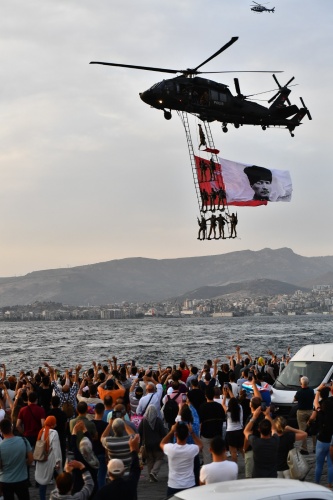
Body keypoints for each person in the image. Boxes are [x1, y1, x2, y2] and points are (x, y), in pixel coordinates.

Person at [160, 421, 203, 497]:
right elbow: (200, 445)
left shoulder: (170, 448)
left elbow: (162, 443)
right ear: (187, 435)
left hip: (173, 485)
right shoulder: (192, 449)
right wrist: (192, 433)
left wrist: (171, 431)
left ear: (175, 435)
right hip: (189, 485)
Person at [93, 434, 141, 500]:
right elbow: (135, 469)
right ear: (123, 471)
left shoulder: (103, 491)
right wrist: (133, 450)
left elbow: (135, 469)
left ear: (109, 473)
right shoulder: (130, 485)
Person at [0, 418, 33, 500]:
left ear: (1, 430)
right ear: (11, 428)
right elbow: (31, 459)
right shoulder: (23, 440)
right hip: (21, 479)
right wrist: (24, 463)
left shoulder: (0, 446)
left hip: (6, 480)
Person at [308, 384, 333, 487]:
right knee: (331, 464)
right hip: (331, 438)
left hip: (322, 438)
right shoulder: (331, 404)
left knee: (319, 464)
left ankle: (317, 483)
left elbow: (316, 403)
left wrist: (318, 391)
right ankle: (329, 483)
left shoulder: (319, 408)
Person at [244, 406, 279, 478]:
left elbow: (246, 431)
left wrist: (254, 417)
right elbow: (274, 428)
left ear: (259, 430)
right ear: (270, 430)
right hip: (272, 475)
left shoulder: (255, 442)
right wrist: (267, 415)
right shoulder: (275, 440)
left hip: (258, 475)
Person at [35, 416, 63, 500]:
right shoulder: (54, 433)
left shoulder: (41, 431)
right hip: (50, 460)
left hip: (41, 458)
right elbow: (56, 448)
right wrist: (58, 461)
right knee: (58, 480)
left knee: (42, 483)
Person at [138, 405, 166, 482]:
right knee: (159, 458)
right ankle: (154, 472)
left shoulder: (143, 421)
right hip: (157, 444)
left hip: (147, 444)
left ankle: (151, 476)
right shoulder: (158, 421)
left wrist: (140, 444)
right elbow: (163, 433)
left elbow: (139, 432)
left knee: (150, 460)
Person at [198, 386, 225, 465]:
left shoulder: (202, 407)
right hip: (217, 433)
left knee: (207, 456)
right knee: (218, 454)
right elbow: (223, 419)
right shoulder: (219, 406)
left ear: (205, 395)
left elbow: (200, 422)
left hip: (206, 434)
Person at [221, 386, 244, 463]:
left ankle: (235, 467)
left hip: (230, 432)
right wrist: (230, 391)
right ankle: (248, 464)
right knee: (242, 449)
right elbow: (234, 400)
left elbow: (223, 404)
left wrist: (224, 395)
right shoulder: (240, 408)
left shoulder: (228, 411)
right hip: (239, 430)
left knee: (233, 452)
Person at [293, 375, 315, 454]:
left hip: (301, 412)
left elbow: (295, 399)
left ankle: (304, 448)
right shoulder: (311, 391)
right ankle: (315, 447)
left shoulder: (299, 392)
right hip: (310, 411)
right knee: (313, 430)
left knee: (302, 430)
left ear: (300, 383)